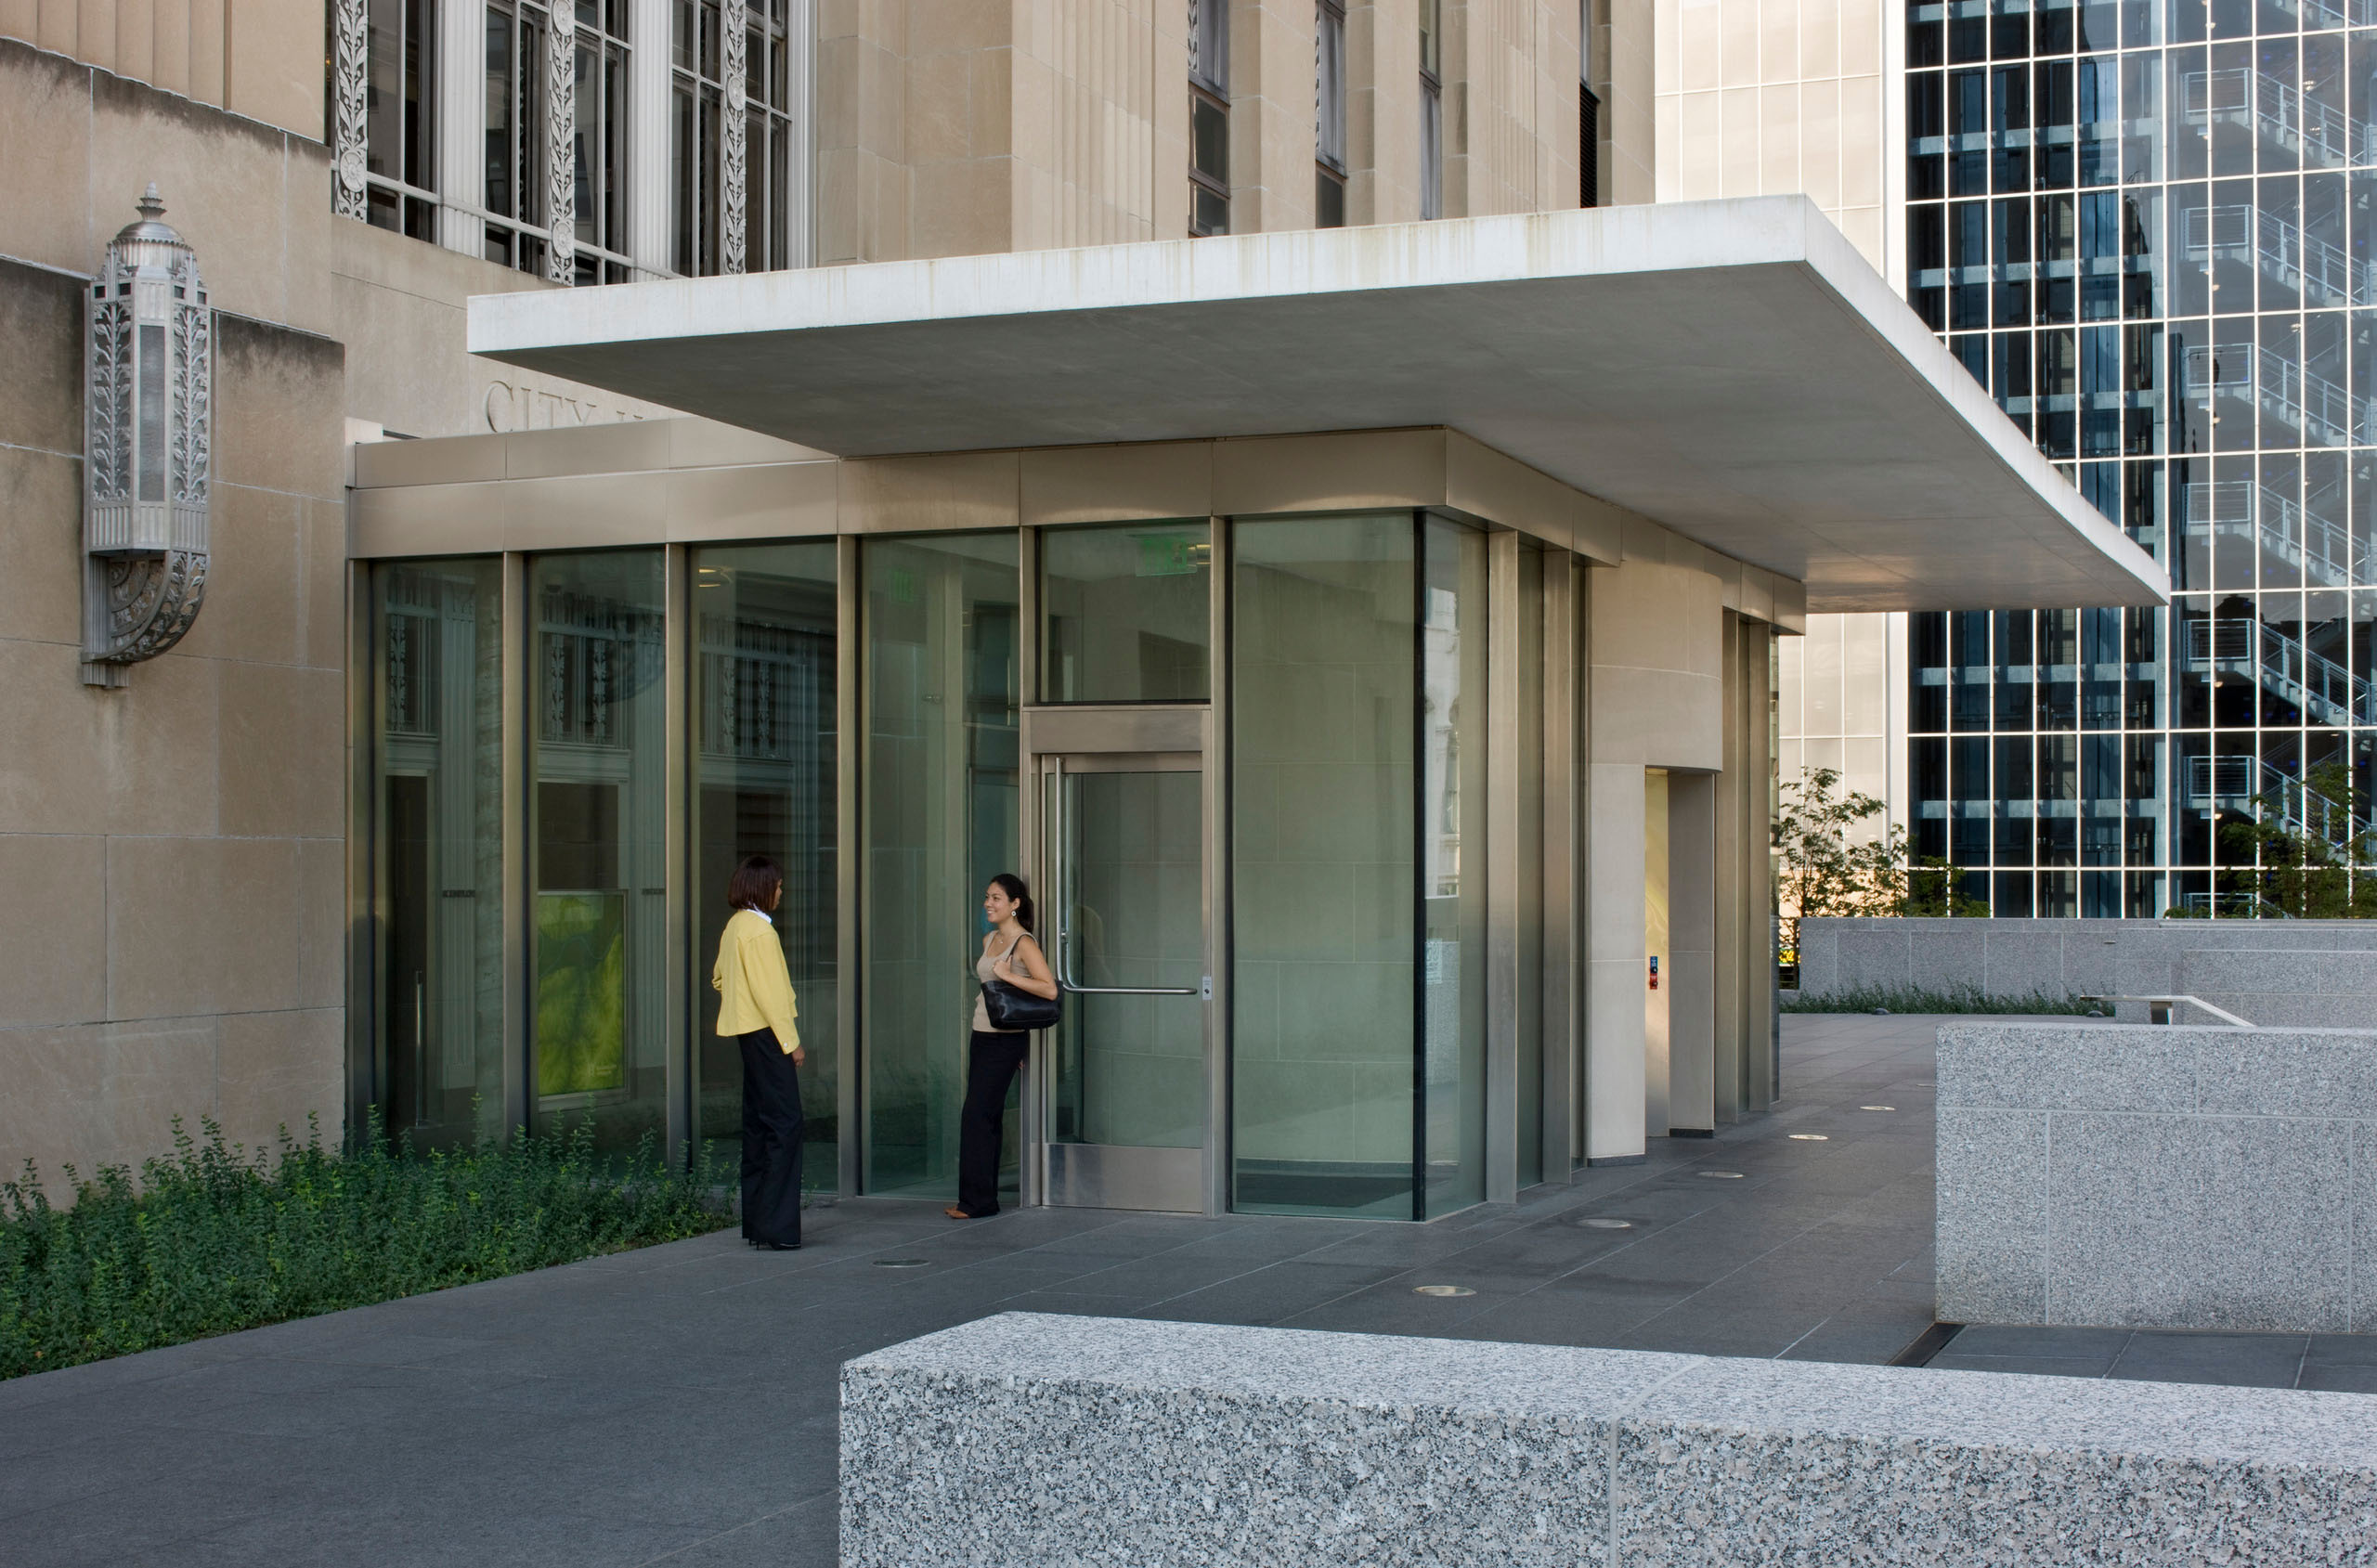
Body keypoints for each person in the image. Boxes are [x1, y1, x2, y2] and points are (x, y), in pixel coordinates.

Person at [948, 873, 1058, 1220]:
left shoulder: (1024, 943)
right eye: (987, 896)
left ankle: (977, 1202)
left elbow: (1049, 989)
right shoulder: (989, 939)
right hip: (983, 1033)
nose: (988, 903)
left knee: (977, 1114)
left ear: (1015, 904)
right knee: (982, 1115)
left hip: (1005, 1040)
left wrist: (1009, 975)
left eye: (996, 898)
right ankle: (979, 1199)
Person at [712, 854, 805, 1251]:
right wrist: (791, 1042)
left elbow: (719, 978)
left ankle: (758, 1225)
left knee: (757, 1127)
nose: (782, 892)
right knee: (786, 1126)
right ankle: (779, 1229)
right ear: (764, 887)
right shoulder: (761, 933)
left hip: (746, 1035)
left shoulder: (735, 927)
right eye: (779, 885)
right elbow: (770, 995)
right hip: (769, 1036)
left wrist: (741, 1001)